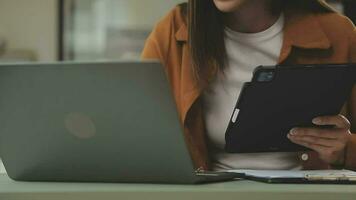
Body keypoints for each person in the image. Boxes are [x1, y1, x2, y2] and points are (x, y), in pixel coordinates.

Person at [141, 0, 356, 171]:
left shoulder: (339, 34)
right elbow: (136, 138)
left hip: (307, 194)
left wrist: (347, 149)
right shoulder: (171, 32)